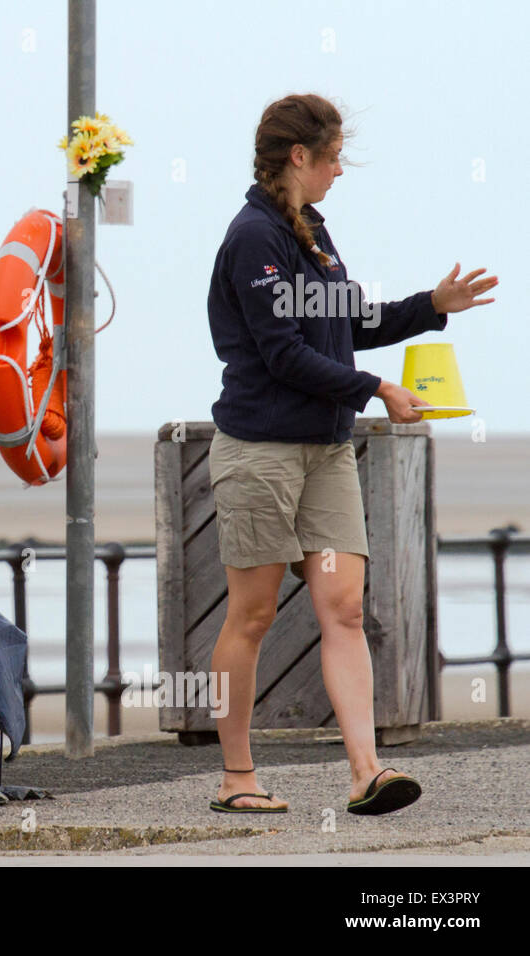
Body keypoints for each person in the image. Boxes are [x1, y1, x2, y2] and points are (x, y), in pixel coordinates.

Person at [205, 94, 497, 815]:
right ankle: (237, 777)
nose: (340, 170)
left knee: (342, 605)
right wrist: (377, 389)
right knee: (253, 614)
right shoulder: (253, 239)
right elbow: (282, 355)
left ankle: (366, 771)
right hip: (260, 454)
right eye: (333, 157)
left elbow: (347, 324)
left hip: (325, 455)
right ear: (298, 157)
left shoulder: (314, 235)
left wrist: (432, 304)